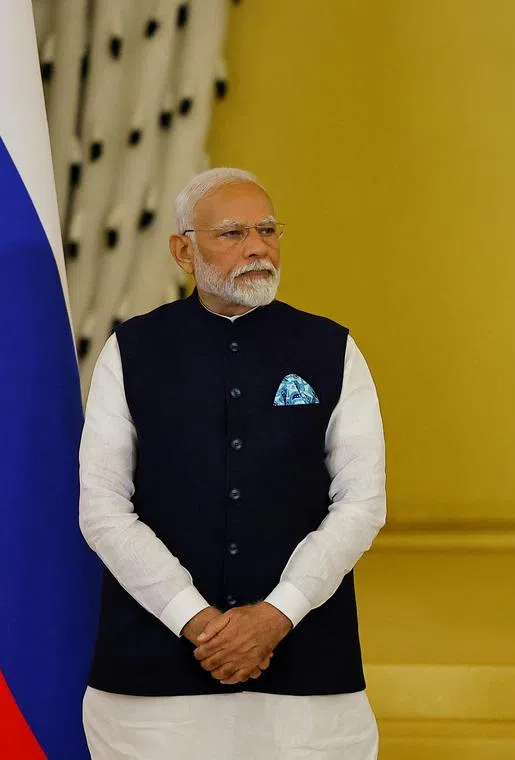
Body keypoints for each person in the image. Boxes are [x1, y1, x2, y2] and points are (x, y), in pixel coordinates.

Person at [78, 167, 386, 759]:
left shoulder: (330, 348)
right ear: (183, 251)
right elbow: (103, 508)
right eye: (232, 233)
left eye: (267, 231)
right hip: (153, 674)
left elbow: (362, 503)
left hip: (304, 670)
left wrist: (276, 615)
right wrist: (195, 620)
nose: (256, 248)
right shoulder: (133, 350)